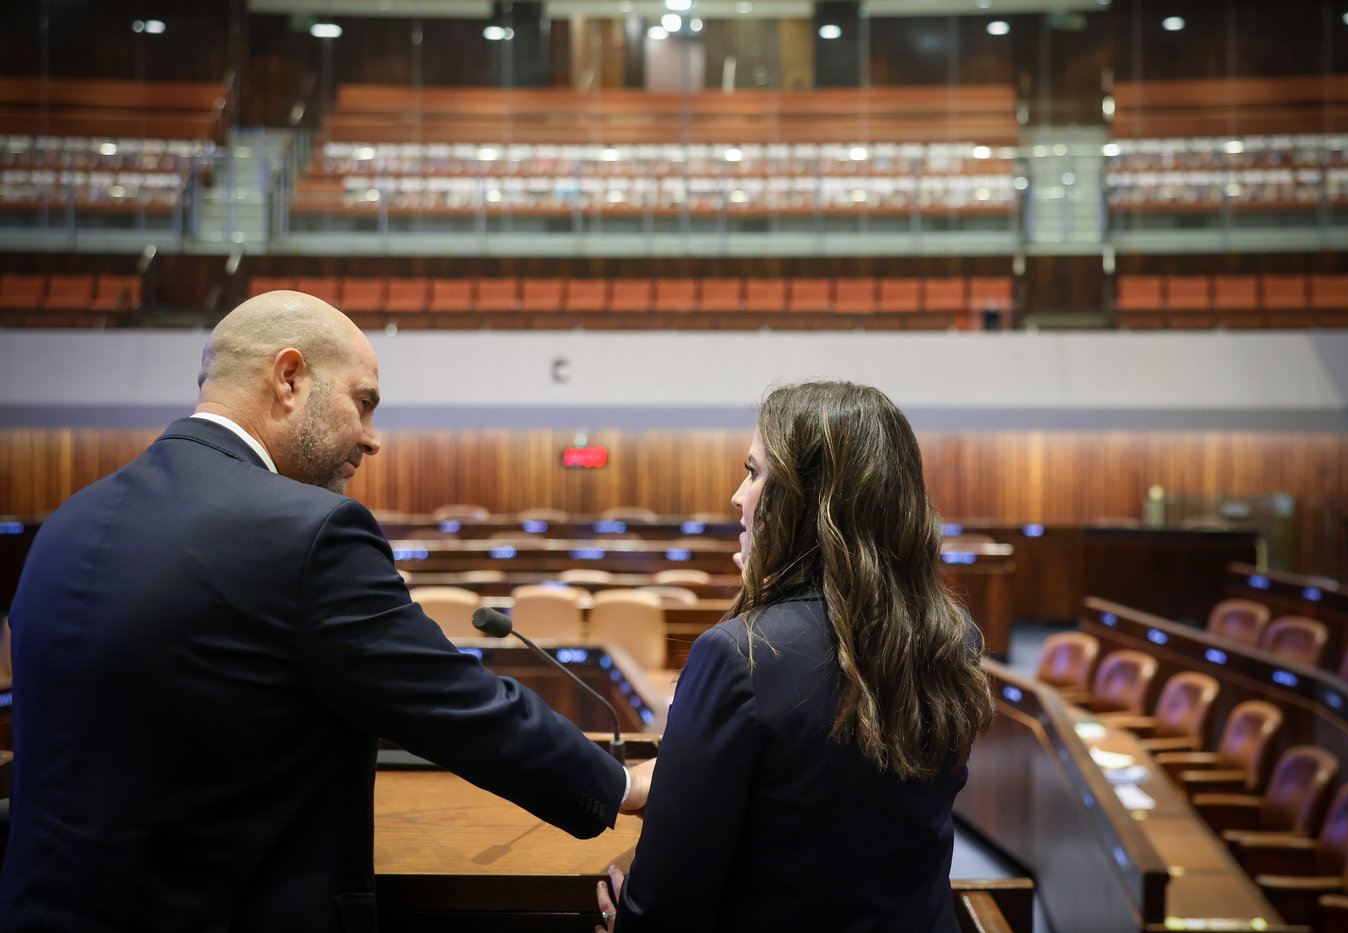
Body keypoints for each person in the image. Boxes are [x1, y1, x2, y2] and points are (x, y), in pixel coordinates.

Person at [0, 291, 650, 932]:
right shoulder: (308, 530)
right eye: (363, 403)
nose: (373, 439)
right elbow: (450, 702)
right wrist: (618, 783)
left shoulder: (69, 521)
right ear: (289, 379)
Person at [597, 380, 995, 932]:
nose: (739, 497)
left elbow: (667, 900)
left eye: (755, 473)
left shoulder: (739, 656)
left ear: (810, 501)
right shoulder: (952, 637)